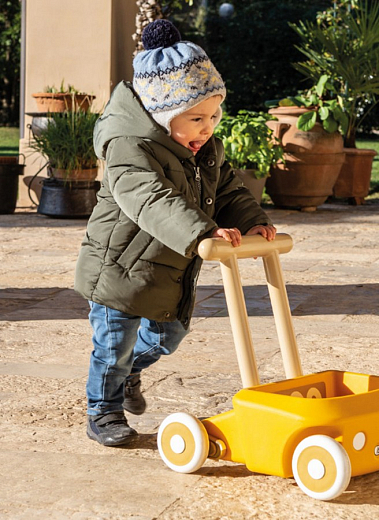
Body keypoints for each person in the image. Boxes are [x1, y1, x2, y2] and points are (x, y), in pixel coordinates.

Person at [74, 19, 276, 447]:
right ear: (163, 117)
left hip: (167, 268)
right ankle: (103, 411)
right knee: (112, 347)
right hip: (117, 269)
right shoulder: (128, 147)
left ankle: (130, 373)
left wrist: (250, 218)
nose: (209, 127)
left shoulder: (203, 151)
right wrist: (201, 231)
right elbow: (149, 198)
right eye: (196, 117)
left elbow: (227, 190)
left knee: (168, 337)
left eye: (215, 115)